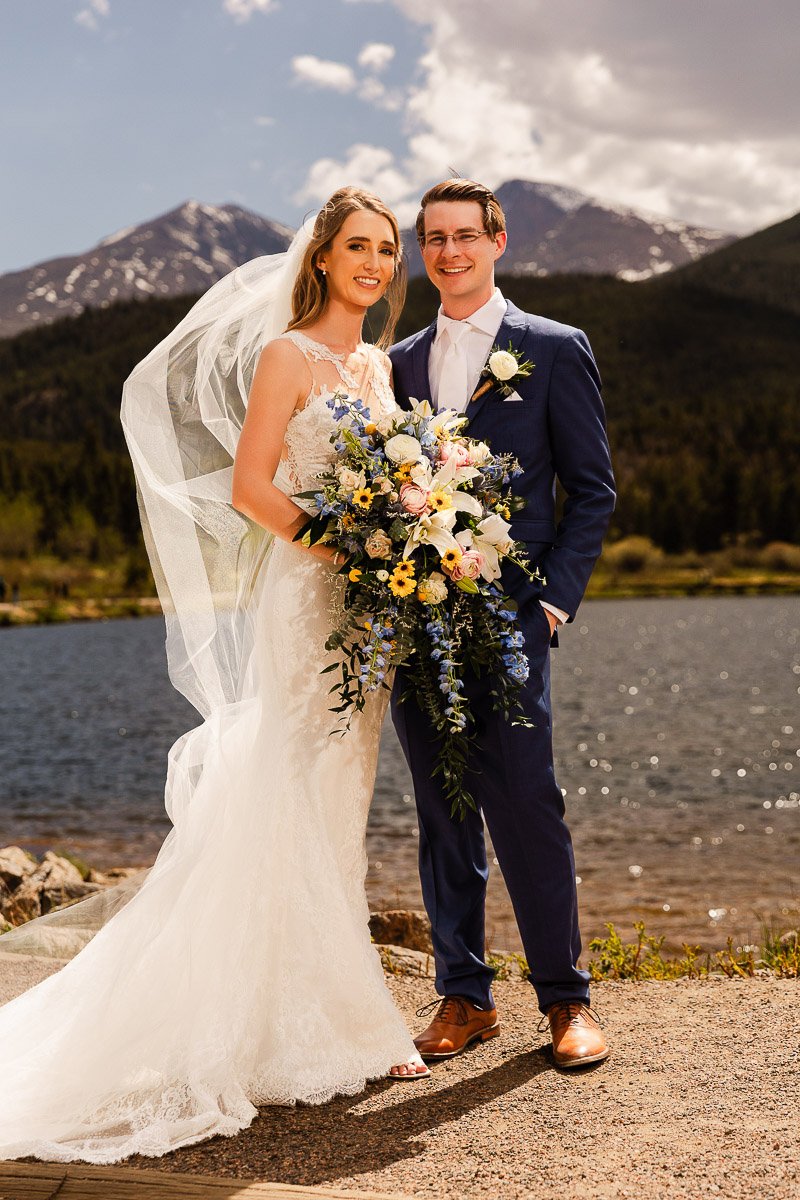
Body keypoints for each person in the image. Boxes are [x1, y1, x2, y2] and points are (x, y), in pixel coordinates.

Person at [0, 187, 428, 1167]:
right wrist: (348, 544)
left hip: (365, 608)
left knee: (340, 792)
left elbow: (395, 475)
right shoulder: (288, 356)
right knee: (289, 780)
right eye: (356, 246)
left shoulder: (372, 363)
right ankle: (289, 1024)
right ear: (320, 259)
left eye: (385, 249)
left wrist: (405, 526)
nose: (372, 262)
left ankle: (332, 1004)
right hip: (306, 594)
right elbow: (251, 488)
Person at [390, 179, 616, 1069]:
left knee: (526, 801)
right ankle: (464, 995)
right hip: (417, 620)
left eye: (466, 237)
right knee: (443, 809)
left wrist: (553, 600)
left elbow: (591, 491)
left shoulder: (554, 349)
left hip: (515, 617)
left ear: (498, 242)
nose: (450, 252)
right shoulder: (401, 362)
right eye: (434, 238)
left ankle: (565, 1001)